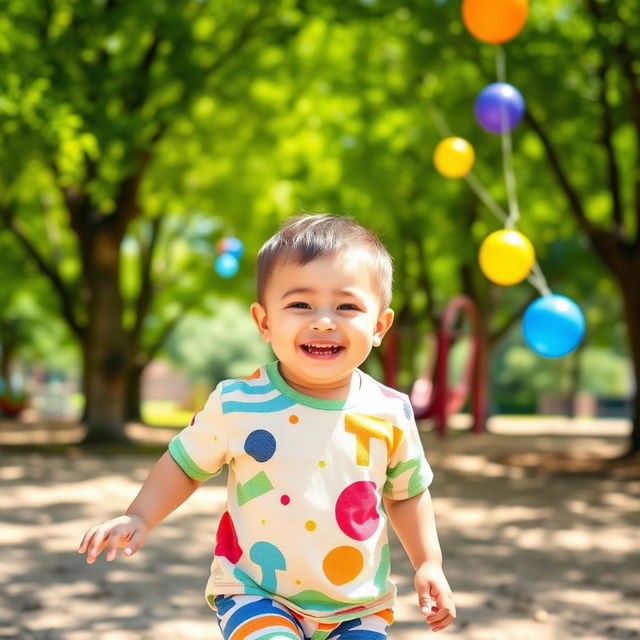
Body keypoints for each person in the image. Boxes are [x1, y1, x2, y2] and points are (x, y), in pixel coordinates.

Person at [78, 214, 456, 638]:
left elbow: (406, 494)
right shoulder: (238, 403)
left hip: (358, 605)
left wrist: (428, 563)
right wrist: (140, 516)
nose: (324, 320)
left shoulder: (390, 411)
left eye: (347, 306)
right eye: (300, 304)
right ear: (264, 322)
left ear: (380, 326)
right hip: (255, 592)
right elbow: (185, 464)